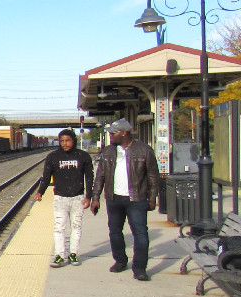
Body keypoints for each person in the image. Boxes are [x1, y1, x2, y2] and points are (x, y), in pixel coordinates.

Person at [90, 118, 159, 281]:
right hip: (114, 199)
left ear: (124, 133)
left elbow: (153, 177)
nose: (111, 136)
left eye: (114, 133)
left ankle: (140, 268)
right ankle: (120, 261)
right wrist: (95, 198)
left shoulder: (144, 150)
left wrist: (152, 198)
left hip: (137, 199)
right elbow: (100, 176)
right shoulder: (108, 152)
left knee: (140, 234)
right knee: (115, 233)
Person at [35, 128, 93, 267]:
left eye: (68, 141)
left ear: (74, 140)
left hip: (78, 198)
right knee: (59, 227)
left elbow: (90, 178)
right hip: (60, 198)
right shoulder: (53, 157)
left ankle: (73, 254)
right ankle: (59, 255)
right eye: (62, 141)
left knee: (76, 226)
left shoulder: (83, 156)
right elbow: (46, 177)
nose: (65, 144)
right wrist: (40, 192)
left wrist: (89, 197)